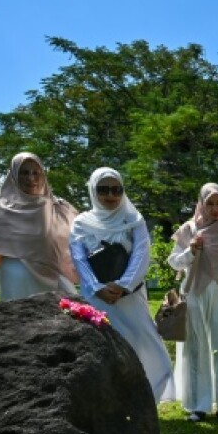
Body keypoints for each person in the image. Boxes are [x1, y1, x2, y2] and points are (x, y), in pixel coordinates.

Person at [68, 167, 173, 400]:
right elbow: (79, 258)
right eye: (103, 189)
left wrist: (123, 286)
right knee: (105, 347)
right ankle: (110, 399)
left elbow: (141, 254)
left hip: (131, 296)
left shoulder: (134, 220)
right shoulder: (81, 223)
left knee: (141, 344)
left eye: (116, 189)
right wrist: (97, 288)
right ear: (93, 191)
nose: (111, 195)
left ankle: (143, 398)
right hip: (99, 299)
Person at [167, 183, 218, 422]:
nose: (215, 209)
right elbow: (174, 262)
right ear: (201, 204)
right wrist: (191, 250)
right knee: (197, 348)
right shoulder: (190, 229)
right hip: (194, 293)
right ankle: (199, 404)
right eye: (210, 203)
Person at [0, 152, 78, 304]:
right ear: (14, 175)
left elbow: (79, 243)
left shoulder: (58, 207)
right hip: (16, 280)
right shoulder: (1, 210)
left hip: (55, 279)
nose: (31, 178)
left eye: (36, 172)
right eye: (24, 172)